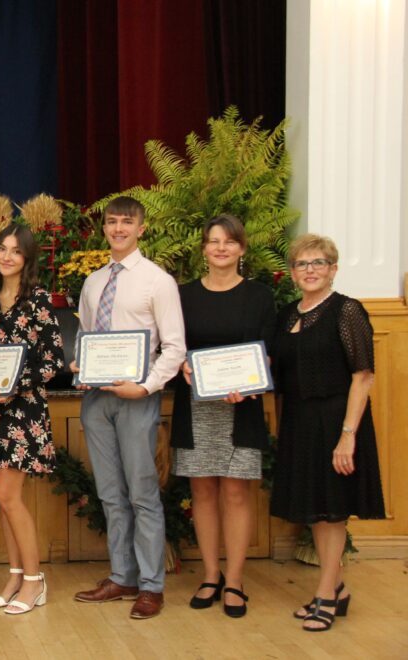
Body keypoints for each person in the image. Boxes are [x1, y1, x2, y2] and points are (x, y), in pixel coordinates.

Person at [71, 196, 185, 620]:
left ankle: (152, 585)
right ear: (104, 227)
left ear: (141, 228)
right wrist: (81, 364)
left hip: (138, 400)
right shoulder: (93, 282)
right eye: (112, 221)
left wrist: (148, 385)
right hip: (96, 400)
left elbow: (174, 347)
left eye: (127, 222)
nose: (118, 228)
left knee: (142, 493)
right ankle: (122, 576)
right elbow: (87, 335)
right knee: (110, 494)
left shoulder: (158, 281)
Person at [270, 234, 385, 632]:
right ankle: (335, 586)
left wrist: (348, 434)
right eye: (302, 264)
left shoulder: (347, 311)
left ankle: (325, 596)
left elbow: (363, 375)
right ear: (292, 272)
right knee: (316, 509)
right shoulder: (287, 314)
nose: (310, 270)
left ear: (333, 269)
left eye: (319, 263)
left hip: (338, 420)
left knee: (333, 511)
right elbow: (272, 370)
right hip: (300, 422)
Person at [169, 214, 276, 618]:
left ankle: (235, 580)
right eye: (213, 242)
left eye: (229, 242)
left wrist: (252, 381)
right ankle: (210, 575)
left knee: (235, 492)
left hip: (241, 407)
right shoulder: (183, 295)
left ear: (242, 249)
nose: (221, 249)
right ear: (203, 249)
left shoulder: (260, 296)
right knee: (202, 493)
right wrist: (181, 365)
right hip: (196, 406)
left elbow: (269, 352)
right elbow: (173, 344)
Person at [0, 223, 65, 615]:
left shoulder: (37, 299)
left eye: (15, 251)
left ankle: (35, 581)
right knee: (5, 500)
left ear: (27, 258)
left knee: (7, 495)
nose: (7, 256)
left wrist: (16, 385)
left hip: (23, 410)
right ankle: (15, 574)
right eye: (1, 249)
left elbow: (52, 361)